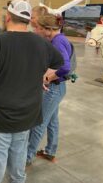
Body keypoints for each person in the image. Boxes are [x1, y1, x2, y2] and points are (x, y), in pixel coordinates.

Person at [0, 0, 64, 183]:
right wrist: (43, 76)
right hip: (27, 114)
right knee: (19, 153)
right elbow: (60, 63)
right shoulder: (41, 43)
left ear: (8, 18)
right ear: (28, 21)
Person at [27, 13, 72, 166]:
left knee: (39, 123)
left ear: (48, 29)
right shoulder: (58, 39)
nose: (36, 31)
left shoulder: (57, 42)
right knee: (52, 121)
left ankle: (27, 156)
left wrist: (49, 77)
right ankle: (50, 151)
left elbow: (66, 67)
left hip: (53, 89)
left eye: (39, 28)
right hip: (58, 88)